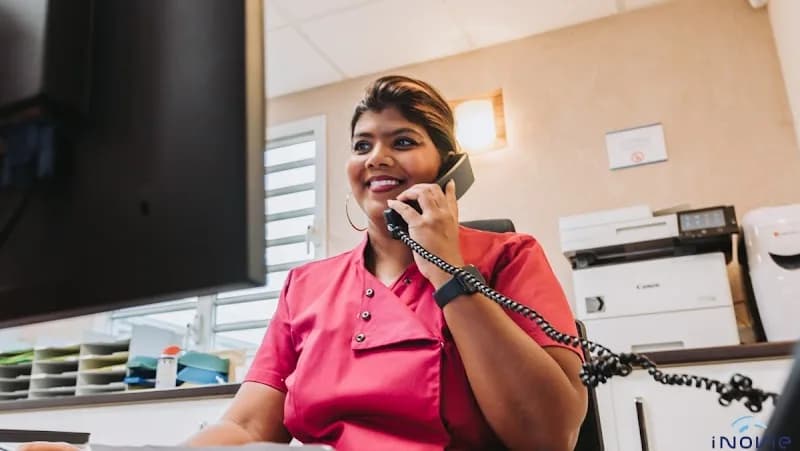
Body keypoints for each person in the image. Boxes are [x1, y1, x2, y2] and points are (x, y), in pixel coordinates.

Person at [21, 75, 587, 451]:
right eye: (363, 145)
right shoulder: (307, 285)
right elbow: (245, 426)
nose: (378, 159)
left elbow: (548, 434)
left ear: (451, 167)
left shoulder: (508, 258)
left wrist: (446, 271)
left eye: (404, 141)